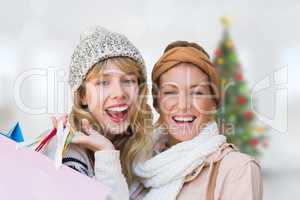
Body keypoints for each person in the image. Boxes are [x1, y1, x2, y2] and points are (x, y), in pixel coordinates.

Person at [132, 41, 263, 200]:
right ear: (157, 102)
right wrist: (106, 154)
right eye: (171, 92)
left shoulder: (238, 169)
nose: (183, 105)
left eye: (197, 93)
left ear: (214, 102)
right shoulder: (140, 166)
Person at [44, 26, 153, 200]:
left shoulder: (142, 146)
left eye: (128, 80)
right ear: (82, 95)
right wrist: (106, 153)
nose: (119, 93)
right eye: (103, 82)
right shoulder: (66, 151)